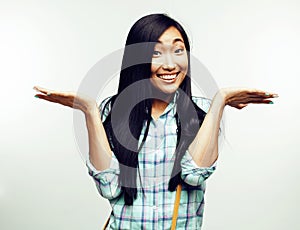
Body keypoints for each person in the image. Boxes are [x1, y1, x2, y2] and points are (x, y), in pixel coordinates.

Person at [33, 13, 278, 229]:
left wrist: (220, 101)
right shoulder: (113, 111)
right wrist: (89, 111)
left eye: (178, 50)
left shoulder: (203, 111)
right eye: (156, 53)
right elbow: (109, 188)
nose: (170, 64)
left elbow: (194, 175)